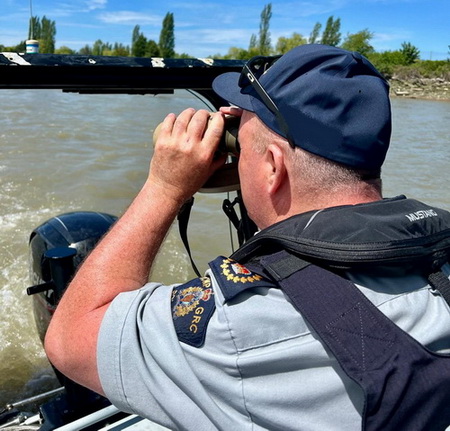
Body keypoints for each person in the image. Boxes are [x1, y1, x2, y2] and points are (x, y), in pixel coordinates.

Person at [45, 44, 450, 430]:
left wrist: (166, 186)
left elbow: (70, 339)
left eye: (244, 141)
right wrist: (256, 144)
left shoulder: (243, 326)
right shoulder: (438, 249)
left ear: (273, 167)